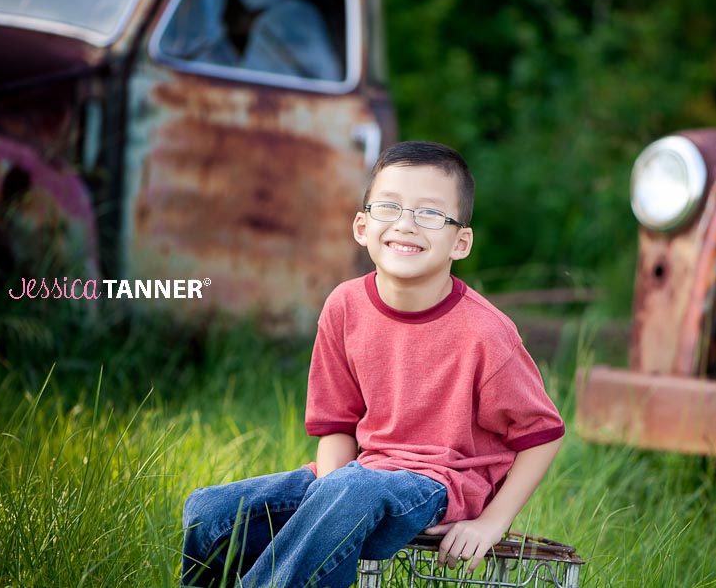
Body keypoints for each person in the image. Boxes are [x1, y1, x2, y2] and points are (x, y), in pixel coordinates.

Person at [180, 141, 565, 588]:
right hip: (358, 478)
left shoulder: (485, 332)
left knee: (351, 489)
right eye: (390, 207)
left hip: (439, 483)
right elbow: (336, 425)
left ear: (460, 242)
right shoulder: (345, 306)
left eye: (430, 214)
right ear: (362, 226)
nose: (406, 224)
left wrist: (490, 524)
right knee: (210, 512)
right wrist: (323, 503)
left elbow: (543, 435)